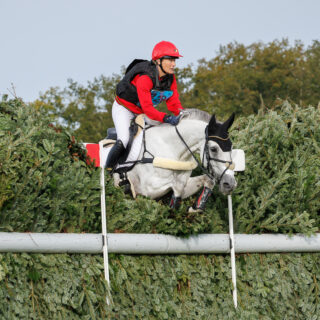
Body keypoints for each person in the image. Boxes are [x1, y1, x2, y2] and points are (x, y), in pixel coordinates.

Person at [106, 41, 184, 169]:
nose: (174, 64)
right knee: (124, 140)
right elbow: (148, 109)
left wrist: (182, 114)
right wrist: (167, 118)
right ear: (158, 61)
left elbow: (174, 104)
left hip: (141, 112)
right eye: (170, 60)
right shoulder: (145, 78)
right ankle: (107, 172)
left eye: (174, 60)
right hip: (124, 109)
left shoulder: (170, 78)